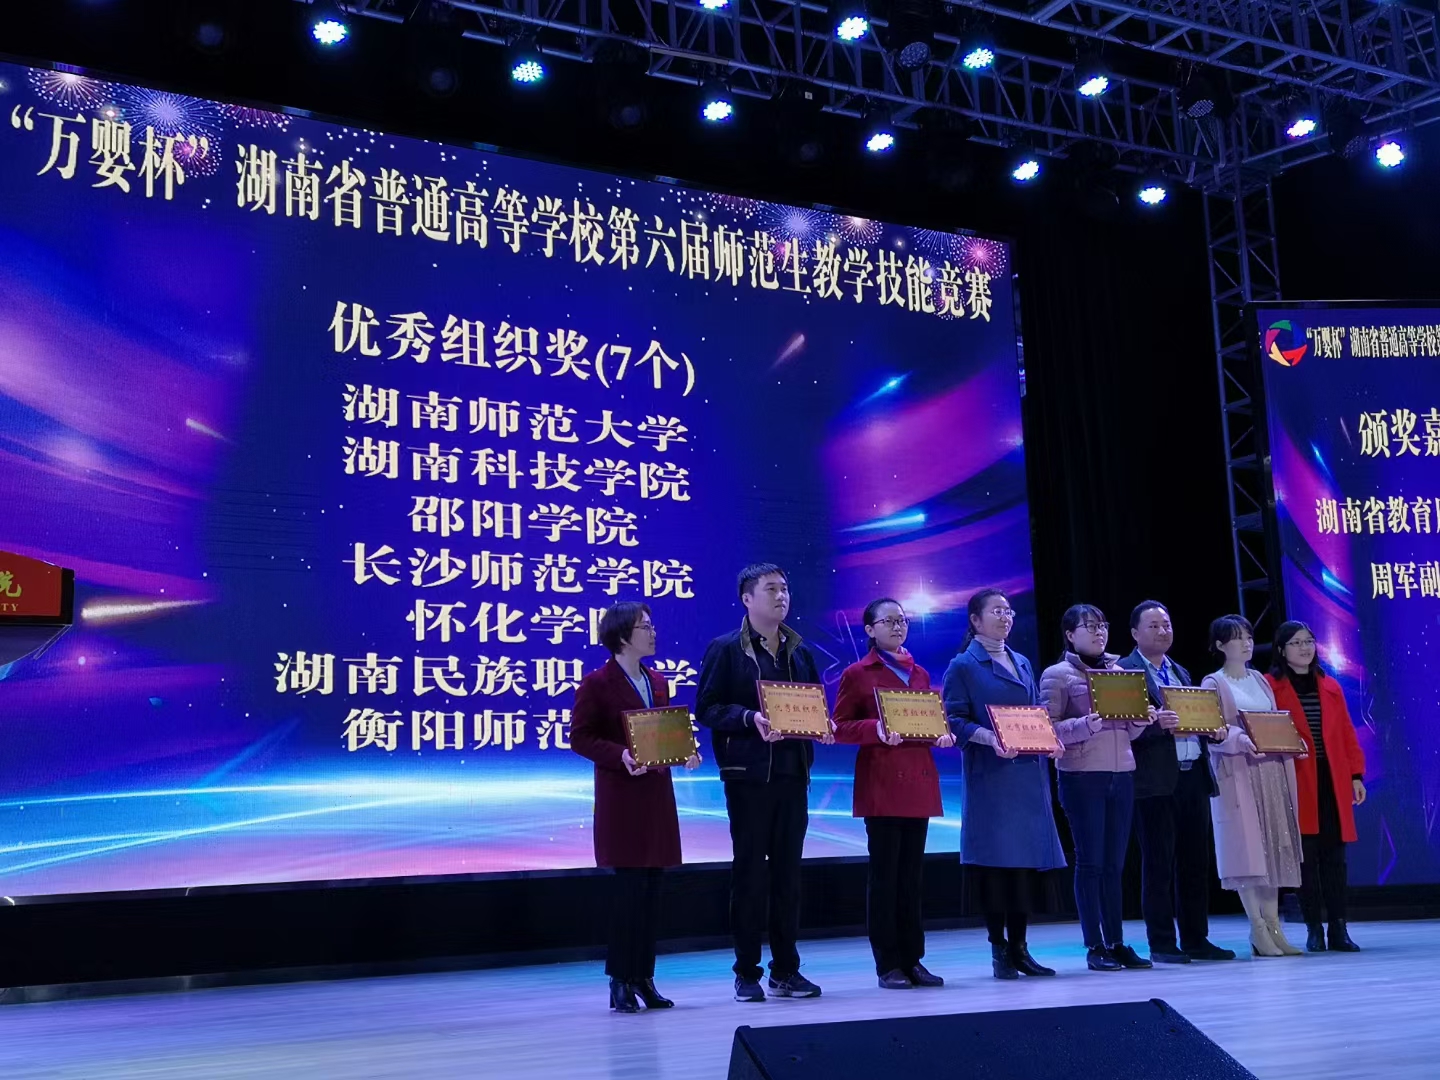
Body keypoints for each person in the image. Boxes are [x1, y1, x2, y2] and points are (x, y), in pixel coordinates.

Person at [695, 562, 831, 1002]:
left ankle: (786, 970)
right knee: (750, 874)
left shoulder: (800, 651)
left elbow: (812, 706)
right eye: (771, 589)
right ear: (747, 598)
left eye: (785, 589)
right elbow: (707, 708)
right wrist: (749, 718)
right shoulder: (726, 648)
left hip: (793, 774)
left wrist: (822, 726)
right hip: (748, 777)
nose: (781, 596)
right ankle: (747, 972)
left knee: (789, 877)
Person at [570, 602, 702, 1013]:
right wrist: (620, 755)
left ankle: (644, 978)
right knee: (628, 894)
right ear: (623, 636)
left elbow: (662, 733)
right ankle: (620, 980)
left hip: (656, 799)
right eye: (645, 626)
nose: (653, 632)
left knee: (652, 893)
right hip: (622, 800)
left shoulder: (657, 681)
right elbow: (580, 737)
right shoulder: (597, 683)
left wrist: (684, 750)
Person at [941, 588, 1067, 980]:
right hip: (992, 778)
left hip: (1027, 774)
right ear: (975, 620)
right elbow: (955, 720)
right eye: (996, 611)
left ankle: (1021, 948)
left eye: (1008, 611)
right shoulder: (963, 665)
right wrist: (990, 739)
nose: (1005, 617)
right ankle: (999, 949)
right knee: (996, 867)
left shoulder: (1022, 661)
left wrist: (1050, 738)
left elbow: (1035, 712)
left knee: (1023, 867)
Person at [832, 598, 956, 990]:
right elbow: (839, 726)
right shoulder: (857, 673)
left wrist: (941, 734)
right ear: (870, 630)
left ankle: (913, 959)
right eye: (888, 621)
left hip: (917, 781)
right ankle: (888, 963)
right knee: (885, 878)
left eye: (902, 620)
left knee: (912, 879)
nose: (898, 626)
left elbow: (926, 720)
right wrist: (876, 730)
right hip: (882, 783)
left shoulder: (919, 673)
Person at [1118, 601, 1235, 964]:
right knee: (1158, 864)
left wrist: (1212, 729)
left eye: (1166, 624)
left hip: (1192, 775)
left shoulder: (1179, 671)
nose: (1163, 631)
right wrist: (1156, 726)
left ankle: (1196, 938)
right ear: (1135, 633)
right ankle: (1162, 942)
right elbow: (1122, 728)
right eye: (1153, 626)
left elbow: (1195, 718)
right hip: (1154, 781)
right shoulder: (1125, 672)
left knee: (1195, 862)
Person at [1039, 604, 1152, 972]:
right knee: (1091, 863)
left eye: (1102, 625)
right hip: (1082, 775)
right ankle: (1094, 945)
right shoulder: (1057, 675)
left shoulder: (1120, 673)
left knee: (1114, 865)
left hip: (1121, 773)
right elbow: (1048, 728)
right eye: (1089, 626)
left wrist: (1142, 720)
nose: (1099, 632)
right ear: (1070, 634)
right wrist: (1087, 724)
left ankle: (1116, 941)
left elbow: (1129, 732)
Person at [1199, 615, 1303, 958]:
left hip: (1271, 770)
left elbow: (1274, 721)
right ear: (1220, 645)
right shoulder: (1213, 683)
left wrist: (1291, 740)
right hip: (1239, 772)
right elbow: (1212, 731)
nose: (1246, 643)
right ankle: (1257, 927)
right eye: (1237, 637)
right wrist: (1240, 739)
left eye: (1248, 636)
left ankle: (1274, 926)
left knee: (1273, 847)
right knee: (1248, 849)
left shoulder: (1259, 679)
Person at [1267, 620, 1367, 953]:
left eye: (1309, 641)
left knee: (1335, 858)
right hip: (1296, 780)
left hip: (1332, 779)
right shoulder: (1270, 687)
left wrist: (1356, 775)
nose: (1305, 648)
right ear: (1281, 650)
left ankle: (1339, 927)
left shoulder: (1330, 685)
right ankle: (1314, 928)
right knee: (1305, 859)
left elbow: (1347, 734)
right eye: (1296, 643)